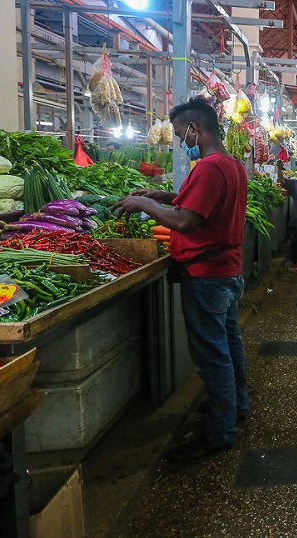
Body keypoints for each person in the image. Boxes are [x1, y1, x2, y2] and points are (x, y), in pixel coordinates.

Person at [112, 97, 248, 462]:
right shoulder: (232, 165)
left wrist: (145, 206)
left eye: (178, 133)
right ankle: (236, 405)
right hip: (227, 271)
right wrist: (163, 196)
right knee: (229, 343)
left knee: (212, 355)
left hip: (206, 276)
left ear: (195, 129)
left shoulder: (208, 167)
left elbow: (187, 222)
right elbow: (203, 207)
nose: (178, 141)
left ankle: (221, 432)